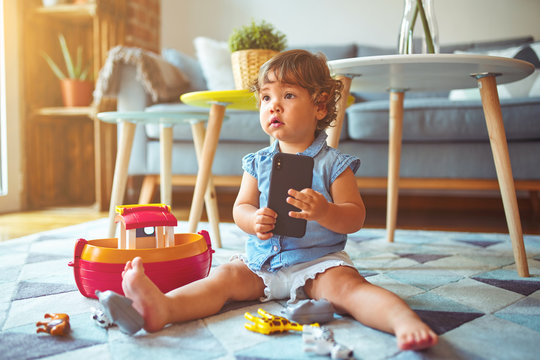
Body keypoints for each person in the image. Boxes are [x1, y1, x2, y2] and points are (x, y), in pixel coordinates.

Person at [121, 49, 438, 351]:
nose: (274, 106)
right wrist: (252, 219)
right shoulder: (257, 162)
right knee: (223, 279)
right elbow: (241, 207)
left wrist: (325, 211)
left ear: (320, 107)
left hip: (319, 263)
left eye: (288, 95)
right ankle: (165, 306)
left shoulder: (334, 164)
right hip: (263, 263)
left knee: (350, 290)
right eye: (266, 97)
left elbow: (355, 217)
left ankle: (402, 320)